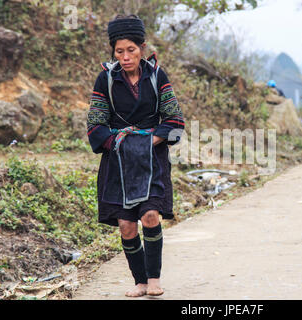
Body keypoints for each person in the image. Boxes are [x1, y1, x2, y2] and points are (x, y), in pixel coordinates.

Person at [86, 14, 185, 297]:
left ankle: (154, 279)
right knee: (127, 226)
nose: (126, 56)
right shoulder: (105, 79)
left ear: (142, 48)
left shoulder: (156, 76)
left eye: (131, 50)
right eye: (120, 51)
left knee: (151, 216)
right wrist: (118, 142)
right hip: (117, 162)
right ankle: (139, 282)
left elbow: (175, 119)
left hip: (152, 161)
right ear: (113, 52)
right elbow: (95, 125)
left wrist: (151, 140)